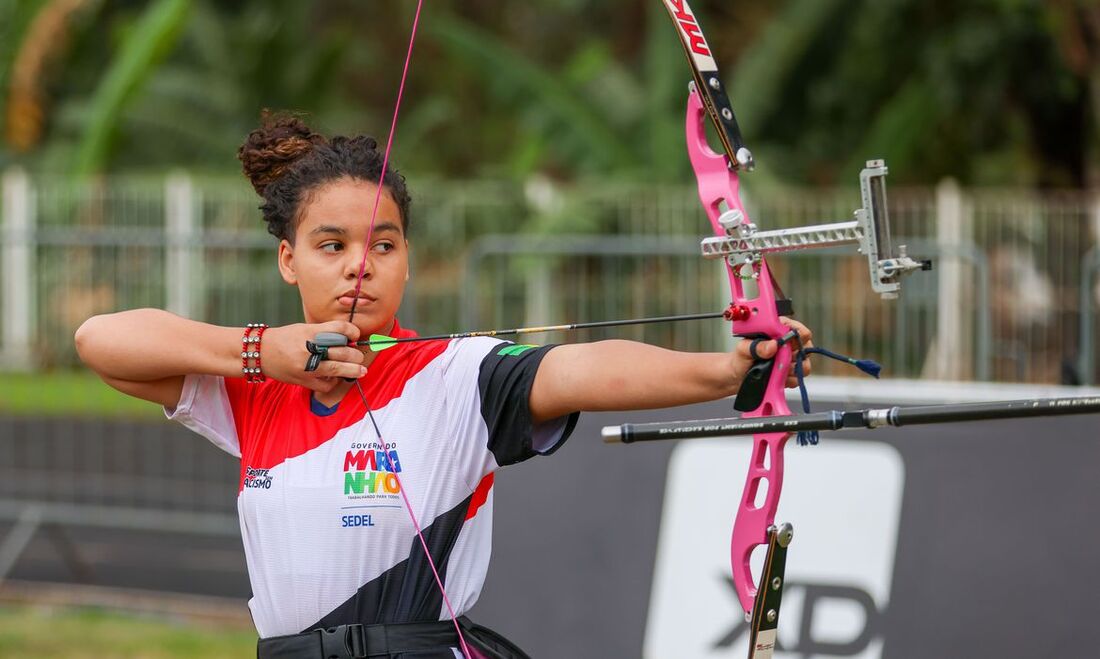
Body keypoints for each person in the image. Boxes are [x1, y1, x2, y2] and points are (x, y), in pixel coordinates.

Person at [75, 114, 814, 659]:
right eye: (331, 245)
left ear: (405, 259)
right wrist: (259, 350)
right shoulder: (254, 386)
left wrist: (724, 368)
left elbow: (582, 368)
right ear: (287, 259)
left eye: (383, 244)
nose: (360, 265)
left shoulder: (459, 372)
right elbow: (99, 341)